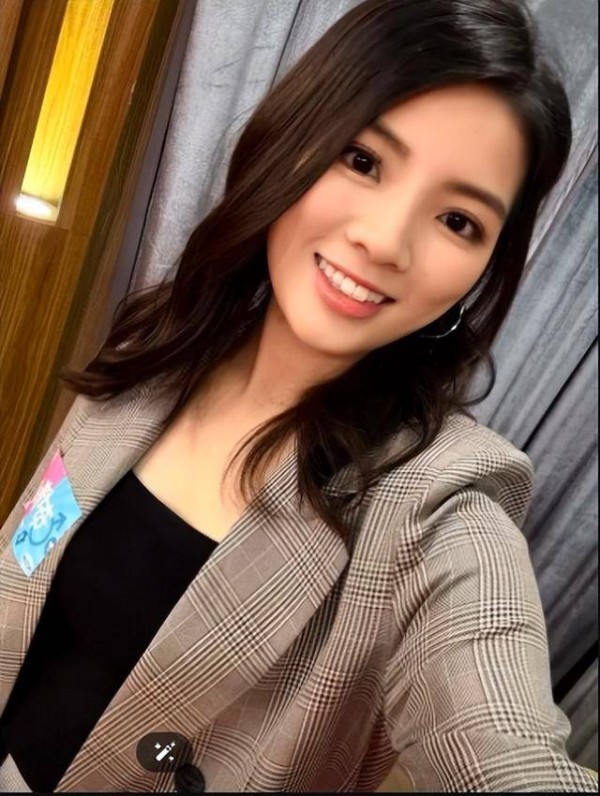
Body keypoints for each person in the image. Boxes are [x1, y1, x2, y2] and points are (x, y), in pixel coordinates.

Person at [0, 0, 596, 791]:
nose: (384, 240)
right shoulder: (166, 344)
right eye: (362, 160)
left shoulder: (437, 506)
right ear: (294, 138)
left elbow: (502, 747)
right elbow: (24, 561)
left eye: (458, 220)